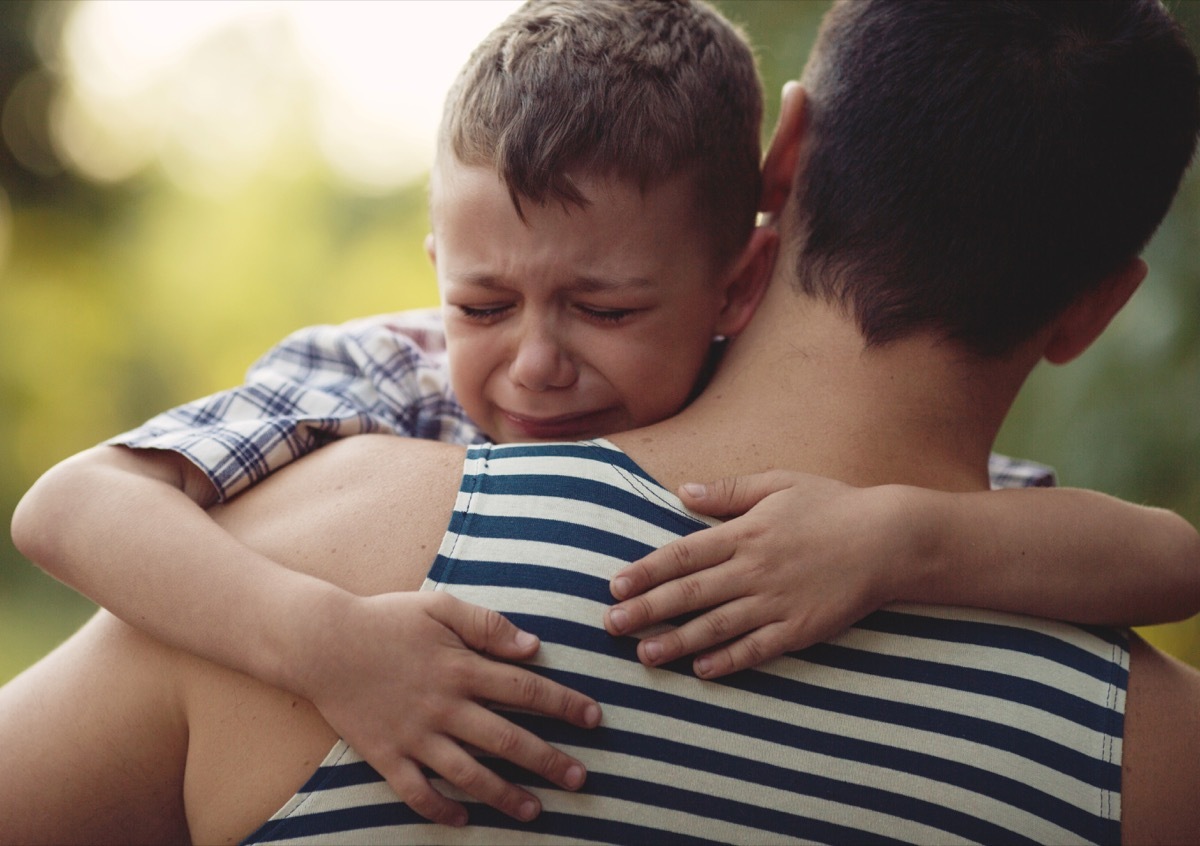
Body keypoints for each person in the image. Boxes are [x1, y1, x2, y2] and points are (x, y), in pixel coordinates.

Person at [6, 0, 1200, 838]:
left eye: (603, 307)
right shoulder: (1155, 759)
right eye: (481, 303)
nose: (533, 366)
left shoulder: (326, 523)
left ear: (778, 167)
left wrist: (899, 541)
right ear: (1095, 309)